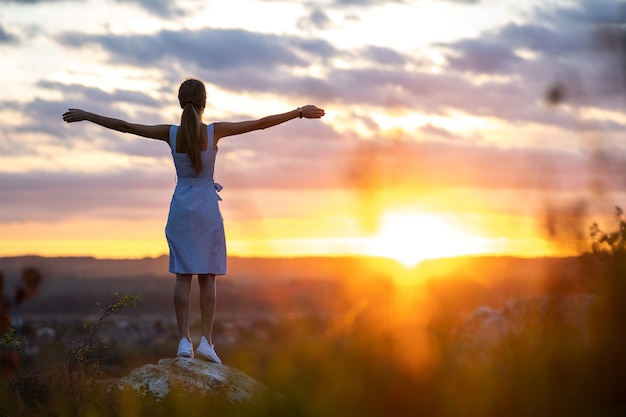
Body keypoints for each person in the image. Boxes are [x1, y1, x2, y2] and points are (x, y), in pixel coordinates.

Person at [62, 78, 325, 363]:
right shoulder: (215, 132)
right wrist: (298, 112)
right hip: (206, 208)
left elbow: (126, 126)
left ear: (180, 102)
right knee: (207, 276)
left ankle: (184, 341)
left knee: (183, 275)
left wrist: (88, 116)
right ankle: (207, 342)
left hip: (181, 207)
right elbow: (260, 123)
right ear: (204, 103)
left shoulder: (170, 134)